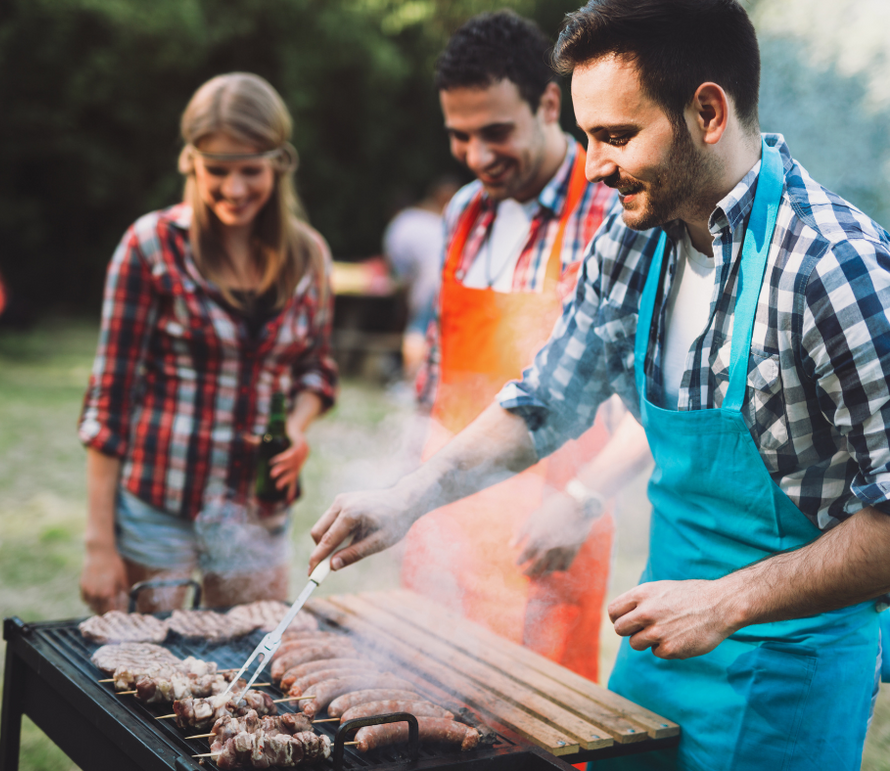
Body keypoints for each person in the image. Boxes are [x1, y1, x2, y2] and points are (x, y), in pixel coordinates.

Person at [309, 1, 890, 768]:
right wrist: (408, 497)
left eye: (616, 136)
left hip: (789, 670)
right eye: (587, 136)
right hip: (658, 638)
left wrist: (726, 600)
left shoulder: (835, 270)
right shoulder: (633, 237)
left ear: (707, 112)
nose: (593, 165)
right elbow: (547, 399)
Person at [399, 9, 651, 683]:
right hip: (443, 526)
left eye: (496, 132)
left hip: (547, 529)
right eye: (460, 137)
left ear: (547, 104)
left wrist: (582, 497)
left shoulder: (611, 211)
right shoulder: (462, 213)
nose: (478, 156)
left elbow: (654, 404)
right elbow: (437, 379)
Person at [79, 72, 337, 614]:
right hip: (157, 508)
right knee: (146, 676)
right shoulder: (148, 247)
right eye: (218, 170)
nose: (235, 188)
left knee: (246, 669)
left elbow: (317, 369)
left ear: (279, 163)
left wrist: (295, 429)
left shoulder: (309, 255)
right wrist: (99, 545)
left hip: (257, 515)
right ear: (190, 161)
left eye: (251, 170)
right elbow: (109, 400)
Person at [383, 176, 459, 380]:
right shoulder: (442, 222)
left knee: (418, 328)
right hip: (452, 280)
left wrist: (404, 286)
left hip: (429, 282)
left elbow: (398, 264)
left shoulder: (407, 221)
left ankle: (411, 381)